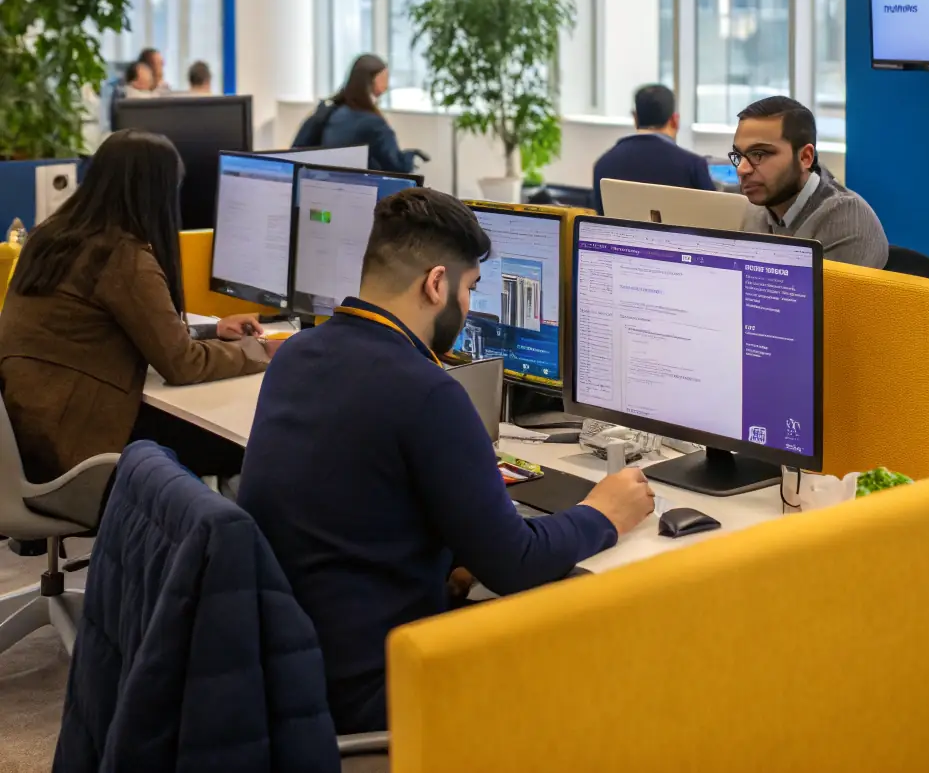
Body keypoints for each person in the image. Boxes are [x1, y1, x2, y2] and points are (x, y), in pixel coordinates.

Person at [239, 188, 653, 735]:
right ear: (436, 284)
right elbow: (515, 564)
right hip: (381, 684)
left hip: (296, 669)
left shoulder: (295, 354)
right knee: (595, 667)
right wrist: (604, 512)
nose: (467, 307)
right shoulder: (426, 391)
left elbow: (360, 507)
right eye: (470, 289)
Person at [0, 130, 268, 483]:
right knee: (250, 447)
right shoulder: (121, 257)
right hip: (79, 449)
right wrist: (265, 351)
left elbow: (113, 327)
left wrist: (213, 330)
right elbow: (183, 365)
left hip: (31, 433)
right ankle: (225, 537)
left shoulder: (51, 237)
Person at [733, 95, 888, 268]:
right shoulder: (757, 208)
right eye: (739, 156)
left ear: (805, 157)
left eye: (759, 154)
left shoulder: (849, 220)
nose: (742, 169)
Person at [292, 53, 424, 174]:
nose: (387, 83)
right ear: (373, 80)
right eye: (384, 77)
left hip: (324, 182)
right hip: (361, 190)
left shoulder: (332, 112)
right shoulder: (373, 123)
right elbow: (396, 166)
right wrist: (410, 156)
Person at [592, 84, 715, 213]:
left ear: (635, 118)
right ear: (674, 120)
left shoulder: (603, 164)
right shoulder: (693, 166)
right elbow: (715, 221)